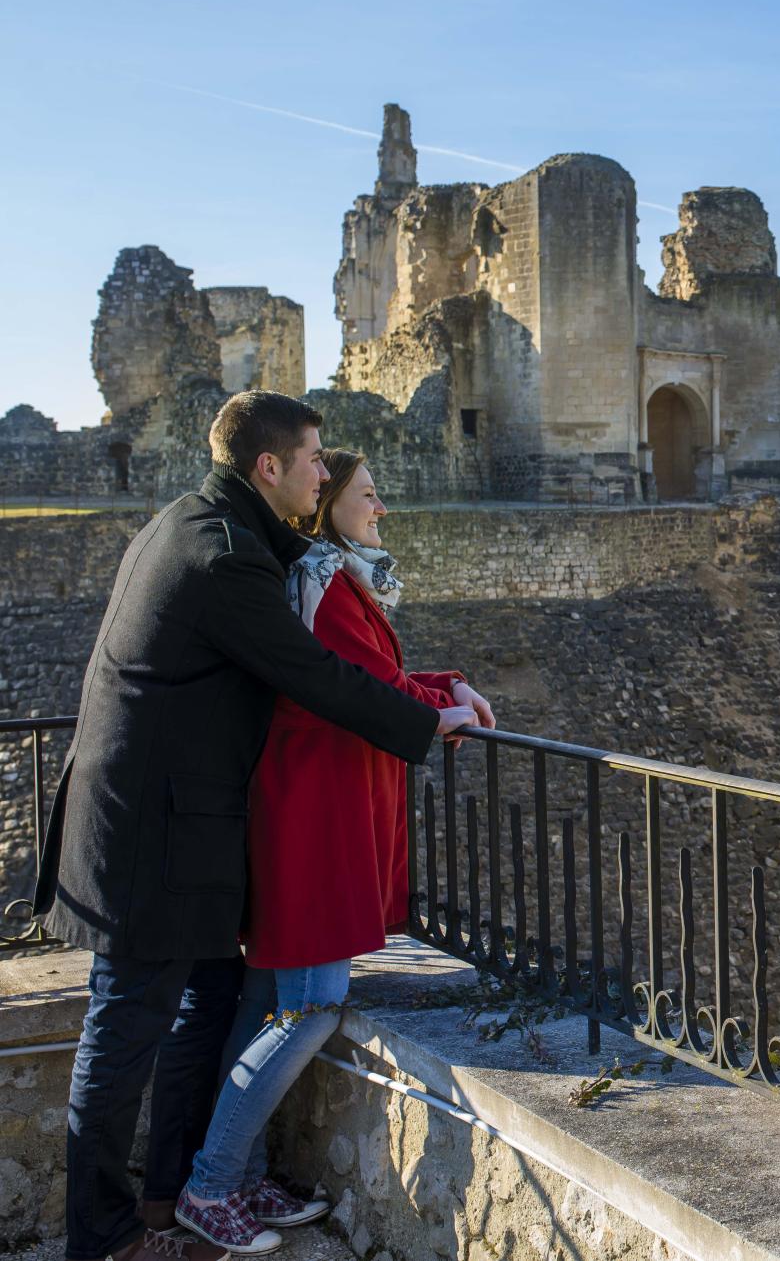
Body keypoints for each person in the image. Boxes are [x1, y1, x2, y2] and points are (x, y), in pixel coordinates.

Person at [34, 392, 481, 1261]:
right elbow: (311, 672)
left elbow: (328, 633)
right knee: (123, 1030)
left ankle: (176, 1195)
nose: (326, 474)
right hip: (143, 830)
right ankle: (104, 1237)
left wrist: (431, 686)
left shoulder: (205, 523)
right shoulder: (221, 551)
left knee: (203, 1008)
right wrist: (428, 725)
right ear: (268, 467)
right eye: (315, 460)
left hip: (186, 825)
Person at [173, 450, 495, 1255]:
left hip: (304, 805)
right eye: (367, 495)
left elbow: (371, 676)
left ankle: (234, 1174)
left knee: (264, 1002)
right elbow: (355, 690)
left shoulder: (330, 581)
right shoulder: (327, 588)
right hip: (313, 814)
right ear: (329, 510)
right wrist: (439, 709)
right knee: (310, 1004)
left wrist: (444, 686)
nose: (379, 508)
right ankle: (211, 1185)